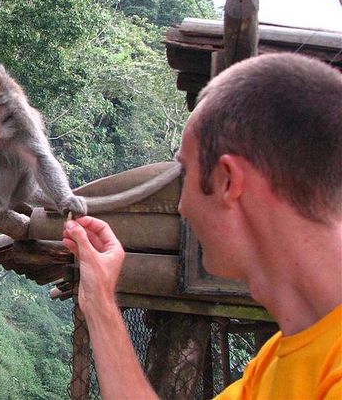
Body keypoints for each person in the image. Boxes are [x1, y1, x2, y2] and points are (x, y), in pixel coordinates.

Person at [62, 52, 342, 400]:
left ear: (227, 181)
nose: (182, 206)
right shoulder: (278, 360)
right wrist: (99, 301)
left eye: (186, 175)